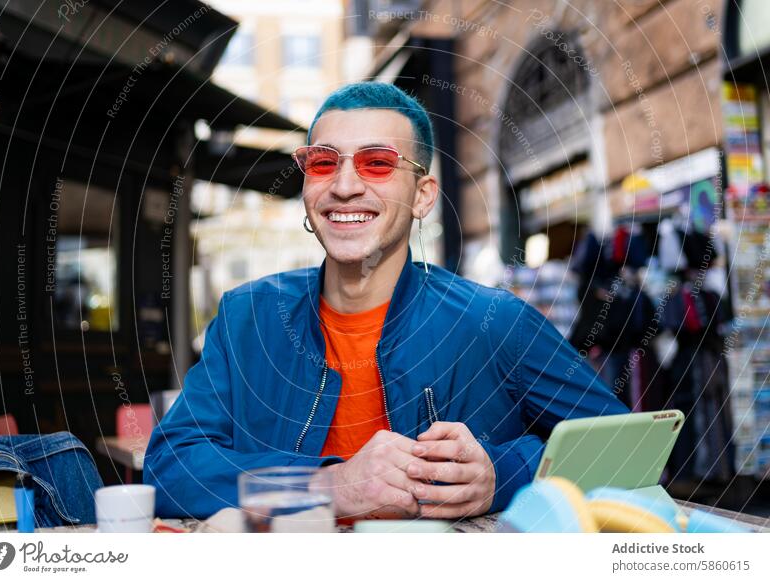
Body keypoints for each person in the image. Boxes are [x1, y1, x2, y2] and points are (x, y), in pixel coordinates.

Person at [144, 82, 628, 520]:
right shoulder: (246, 317)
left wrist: (503, 476)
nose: (345, 185)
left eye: (377, 163)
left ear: (422, 196)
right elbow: (168, 468)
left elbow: (623, 446)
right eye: (323, 162)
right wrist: (329, 484)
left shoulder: (496, 321)